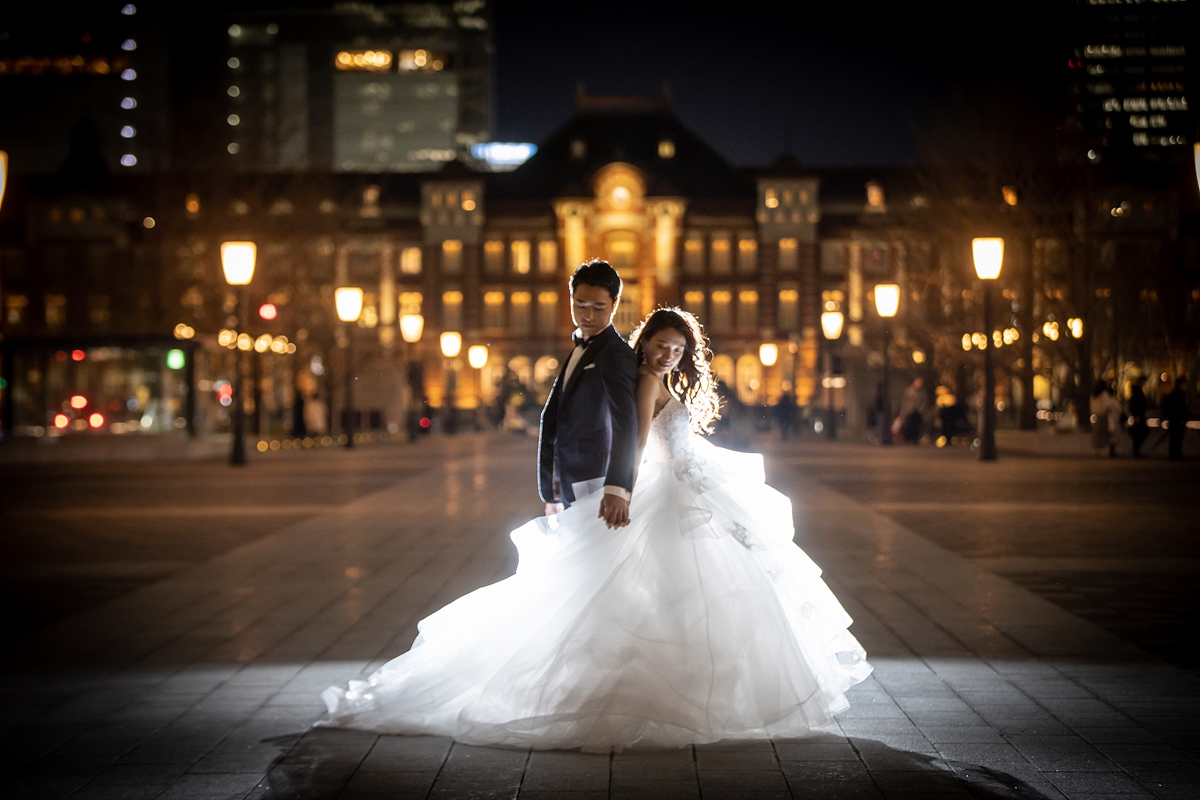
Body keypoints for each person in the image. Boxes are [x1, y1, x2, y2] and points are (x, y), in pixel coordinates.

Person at [317, 307, 871, 752]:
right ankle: (646, 696)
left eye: (679, 349)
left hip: (671, 491)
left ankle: (654, 692)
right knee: (667, 598)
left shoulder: (654, 379)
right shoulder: (648, 384)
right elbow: (632, 442)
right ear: (646, 340)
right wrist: (642, 487)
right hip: (664, 493)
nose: (668, 354)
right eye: (662, 345)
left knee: (662, 599)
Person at [538, 259, 639, 528]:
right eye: (580, 305)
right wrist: (553, 492)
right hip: (570, 482)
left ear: (615, 305)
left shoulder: (615, 354)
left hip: (596, 484)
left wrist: (618, 487)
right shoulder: (579, 347)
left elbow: (626, 423)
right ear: (571, 299)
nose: (588, 316)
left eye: (598, 307)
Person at [1089, 380, 1121, 458]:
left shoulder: (1093, 395)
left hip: (1095, 416)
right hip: (1103, 416)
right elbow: (1107, 406)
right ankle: (1103, 452)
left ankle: (1098, 451)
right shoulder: (1104, 394)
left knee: (1097, 434)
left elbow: (1091, 407)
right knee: (1104, 435)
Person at [1162, 376, 1189, 460]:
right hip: (1177, 419)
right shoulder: (1179, 394)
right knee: (1177, 438)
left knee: (1175, 438)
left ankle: (1174, 455)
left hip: (1174, 419)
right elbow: (1180, 408)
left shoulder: (1175, 393)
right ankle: (1176, 455)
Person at [1128, 376, 1149, 458]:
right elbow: (1137, 404)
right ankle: (1136, 450)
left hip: (1138, 415)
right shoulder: (1137, 392)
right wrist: (1137, 415)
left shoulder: (1136, 391)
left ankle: (1136, 450)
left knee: (1137, 433)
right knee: (1141, 432)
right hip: (1139, 415)